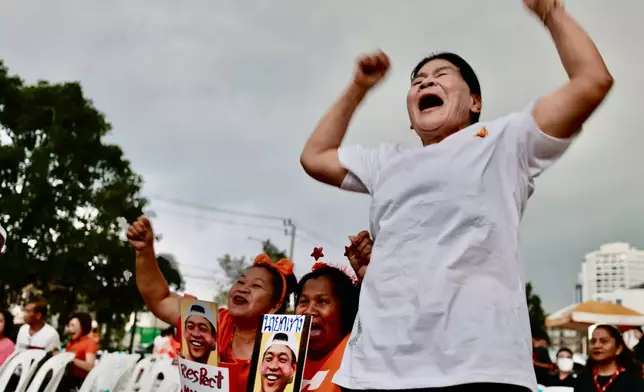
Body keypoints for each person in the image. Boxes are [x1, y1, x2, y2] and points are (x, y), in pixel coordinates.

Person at [299, 0, 613, 390]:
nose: (426, 82)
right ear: (411, 116)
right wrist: (358, 88)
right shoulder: (387, 162)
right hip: (377, 373)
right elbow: (314, 157)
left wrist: (551, 13)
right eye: (417, 81)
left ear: (474, 102)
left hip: (478, 369)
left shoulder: (504, 142)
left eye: (442, 75)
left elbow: (591, 82)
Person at [127, 216, 297, 391]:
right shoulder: (212, 322)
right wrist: (144, 252)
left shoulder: (288, 346)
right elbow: (161, 299)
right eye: (240, 281)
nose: (243, 288)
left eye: (256, 286)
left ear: (275, 306)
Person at [297, 257, 360, 392]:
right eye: (303, 301)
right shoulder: (276, 357)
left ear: (344, 309)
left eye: (322, 301)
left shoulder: (359, 360)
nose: (309, 311)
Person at [574, 325, 644, 392]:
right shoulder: (582, 379)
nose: (596, 345)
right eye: (593, 341)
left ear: (618, 349)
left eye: (604, 341)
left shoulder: (632, 381)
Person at [59, 312, 98, 391]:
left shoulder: (90, 343)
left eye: (73, 325)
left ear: (83, 327)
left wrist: (70, 359)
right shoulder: (70, 344)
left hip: (81, 383)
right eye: (69, 326)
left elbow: (90, 366)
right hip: (67, 380)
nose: (70, 329)